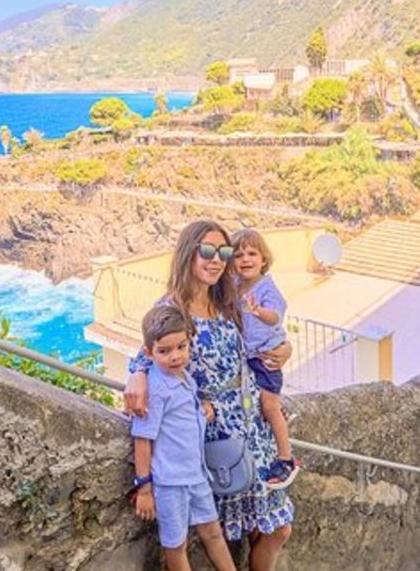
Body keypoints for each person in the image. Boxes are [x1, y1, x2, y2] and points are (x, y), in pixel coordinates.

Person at [125, 220, 294, 571]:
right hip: (218, 433)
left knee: (277, 528)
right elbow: (148, 352)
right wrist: (137, 375)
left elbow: (263, 335)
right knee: (236, 532)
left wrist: (286, 348)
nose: (216, 260)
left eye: (223, 251)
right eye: (207, 250)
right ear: (189, 254)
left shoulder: (227, 299)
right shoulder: (173, 308)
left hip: (253, 425)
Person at [130, 304, 235, 571]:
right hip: (170, 482)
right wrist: (144, 488)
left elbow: (183, 417)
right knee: (176, 546)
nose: (175, 356)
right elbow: (142, 438)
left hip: (197, 475)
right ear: (148, 353)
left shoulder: (185, 377)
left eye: (181, 347)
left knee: (213, 533)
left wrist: (204, 413)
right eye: (164, 351)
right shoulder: (155, 388)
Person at [230, 229, 299, 490]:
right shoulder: (235, 287)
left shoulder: (266, 288)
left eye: (251, 253)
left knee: (269, 406)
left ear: (263, 259)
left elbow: (276, 316)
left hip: (265, 357)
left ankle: (285, 458)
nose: (245, 259)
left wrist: (259, 312)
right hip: (249, 357)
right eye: (238, 255)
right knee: (258, 406)